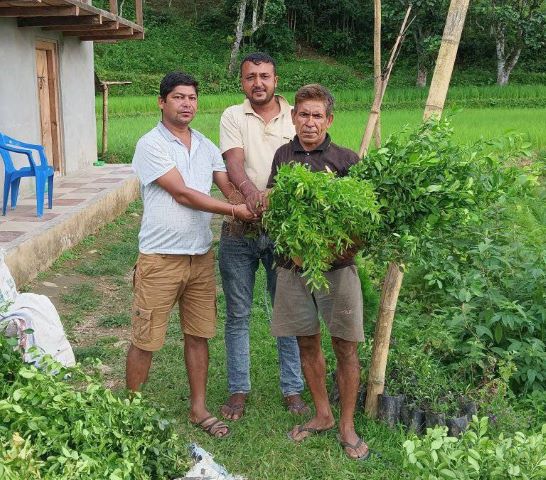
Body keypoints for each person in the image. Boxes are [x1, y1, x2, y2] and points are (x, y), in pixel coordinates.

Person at [126, 71, 255, 439]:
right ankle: (130, 410)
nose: (187, 104)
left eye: (192, 98)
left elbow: (227, 183)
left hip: (200, 258)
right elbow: (181, 193)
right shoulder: (150, 144)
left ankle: (198, 409)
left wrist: (253, 203)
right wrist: (234, 212)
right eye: (179, 97)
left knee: (198, 335)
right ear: (162, 102)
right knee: (146, 337)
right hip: (160, 258)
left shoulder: (204, 144)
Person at [267, 84, 370, 460]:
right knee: (306, 341)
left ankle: (346, 424)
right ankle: (322, 414)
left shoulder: (346, 160)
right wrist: (295, 252)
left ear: (329, 120)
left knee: (345, 345)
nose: (309, 122)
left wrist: (335, 250)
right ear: (293, 117)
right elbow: (276, 211)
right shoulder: (283, 156)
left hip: (338, 271)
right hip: (293, 269)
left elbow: (363, 223)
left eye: (317, 116)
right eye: (303, 114)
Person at [218, 52, 307, 420]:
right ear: (242, 82)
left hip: (283, 229)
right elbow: (233, 161)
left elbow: (303, 164)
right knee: (238, 313)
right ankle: (238, 389)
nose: (258, 83)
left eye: (265, 76)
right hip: (239, 226)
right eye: (251, 76)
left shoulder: (296, 116)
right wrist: (250, 195)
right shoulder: (232, 115)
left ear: (276, 80)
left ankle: (293, 389)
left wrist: (265, 198)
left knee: (285, 311)